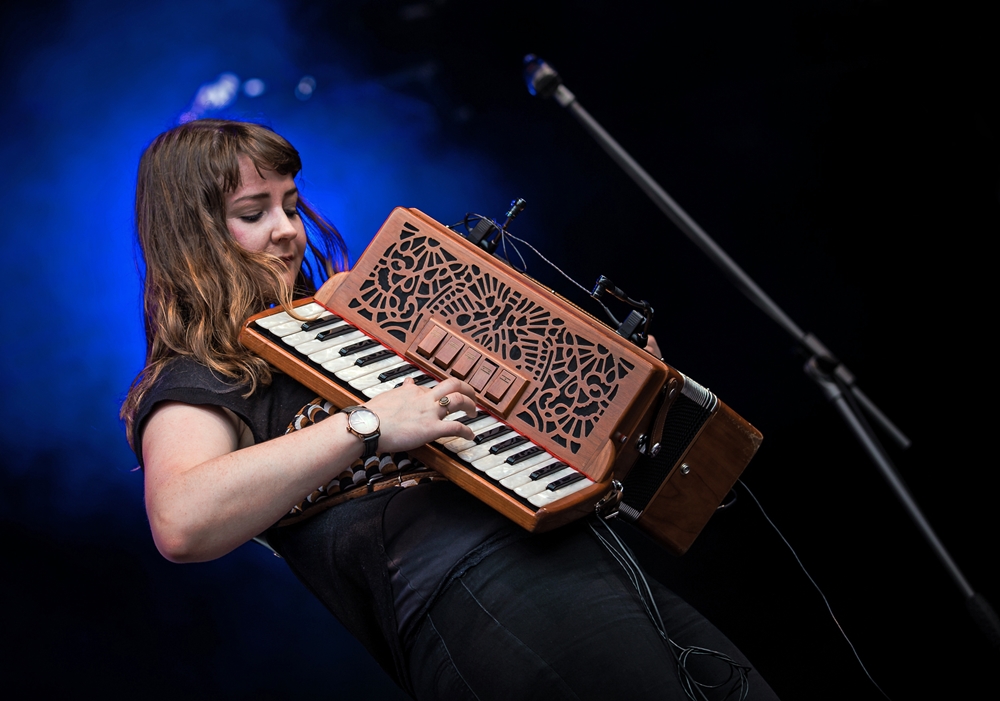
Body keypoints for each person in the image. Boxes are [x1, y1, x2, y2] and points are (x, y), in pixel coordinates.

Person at [122, 119, 778, 700]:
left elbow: (530, 413)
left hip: (587, 557)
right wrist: (369, 424)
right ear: (193, 234)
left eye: (292, 204)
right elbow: (181, 519)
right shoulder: (199, 372)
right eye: (253, 211)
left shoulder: (354, 313)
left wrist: (623, 391)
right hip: (474, 593)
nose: (288, 231)